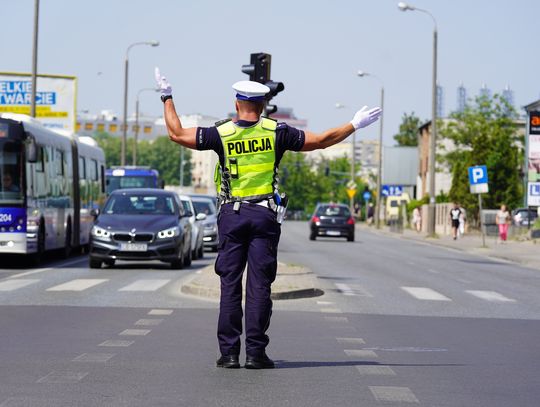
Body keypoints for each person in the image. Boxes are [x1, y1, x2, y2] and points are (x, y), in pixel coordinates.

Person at [155, 67, 381, 369]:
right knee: (260, 286)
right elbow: (323, 141)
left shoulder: (220, 133)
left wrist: (167, 96)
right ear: (263, 106)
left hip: (232, 216)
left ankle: (230, 353)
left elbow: (175, 133)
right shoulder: (278, 132)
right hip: (264, 217)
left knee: (230, 285)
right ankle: (256, 354)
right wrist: (354, 123)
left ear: (237, 104)